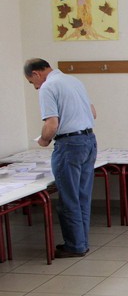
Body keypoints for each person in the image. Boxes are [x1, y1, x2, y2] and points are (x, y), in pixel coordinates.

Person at [24, 58, 97, 259]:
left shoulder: (48, 87)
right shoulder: (74, 81)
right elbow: (93, 113)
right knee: (82, 196)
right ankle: (82, 242)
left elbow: (52, 124)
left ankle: (75, 245)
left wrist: (44, 140)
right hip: (89, 141)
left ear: (37, 74)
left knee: (68, 198)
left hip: (69, 145)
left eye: (32, 82)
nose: (35, 87)